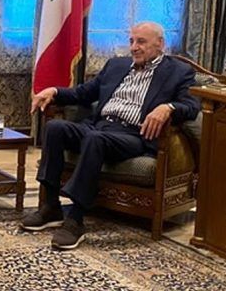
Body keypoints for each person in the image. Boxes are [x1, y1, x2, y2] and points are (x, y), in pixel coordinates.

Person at [21, 21, 199, 250]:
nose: (134, 47)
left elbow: (191, 106)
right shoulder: (116, 65)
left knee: (95, 140)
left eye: (141, 42)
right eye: (131, 41)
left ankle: (75, 219)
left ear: (160, 44)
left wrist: (169, 107)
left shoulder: (178, 72)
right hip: (99, 126)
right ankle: (51, 206)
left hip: (133, 135)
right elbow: (84, 93)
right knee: (55, 128)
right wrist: (54, 91)